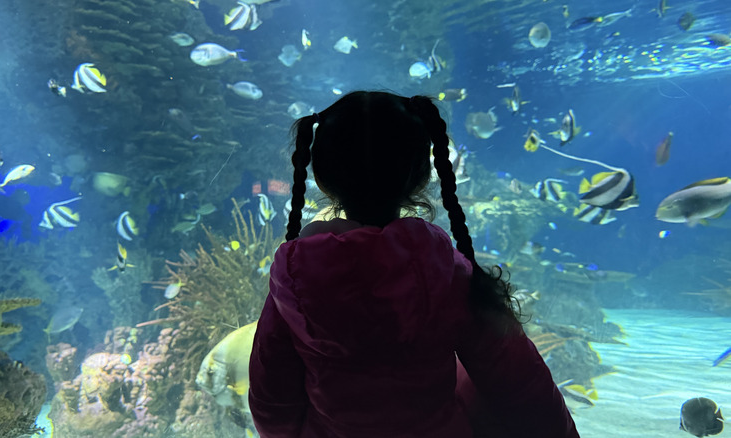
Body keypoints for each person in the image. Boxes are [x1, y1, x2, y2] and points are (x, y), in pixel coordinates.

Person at [248, 91, 580, 437]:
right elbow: (520, 382)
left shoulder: (296, 280)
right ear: (422, 175)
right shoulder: (446, 272)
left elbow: (271, 398)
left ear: (322, 176)